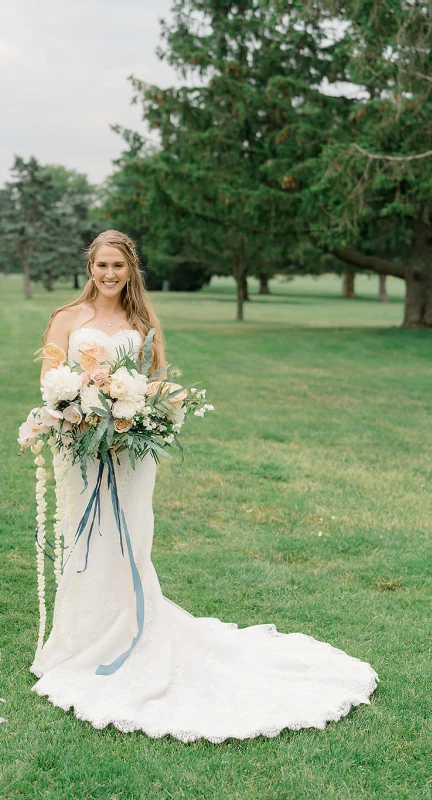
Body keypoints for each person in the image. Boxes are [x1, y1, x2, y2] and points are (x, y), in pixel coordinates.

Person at [30, 229, 379, 742]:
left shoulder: (143, 322)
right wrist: (78, 412)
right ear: (90, 267)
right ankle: (81, 640)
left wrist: (142, 413)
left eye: (118, 267)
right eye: (101, 265)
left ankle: (132, 633)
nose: (109, 275)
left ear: (131, 270)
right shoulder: (66, 319)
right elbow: (51, 380)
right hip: (80, 449)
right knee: (86, 541)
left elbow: (161, 377)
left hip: (130, 451)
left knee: (130, 538)